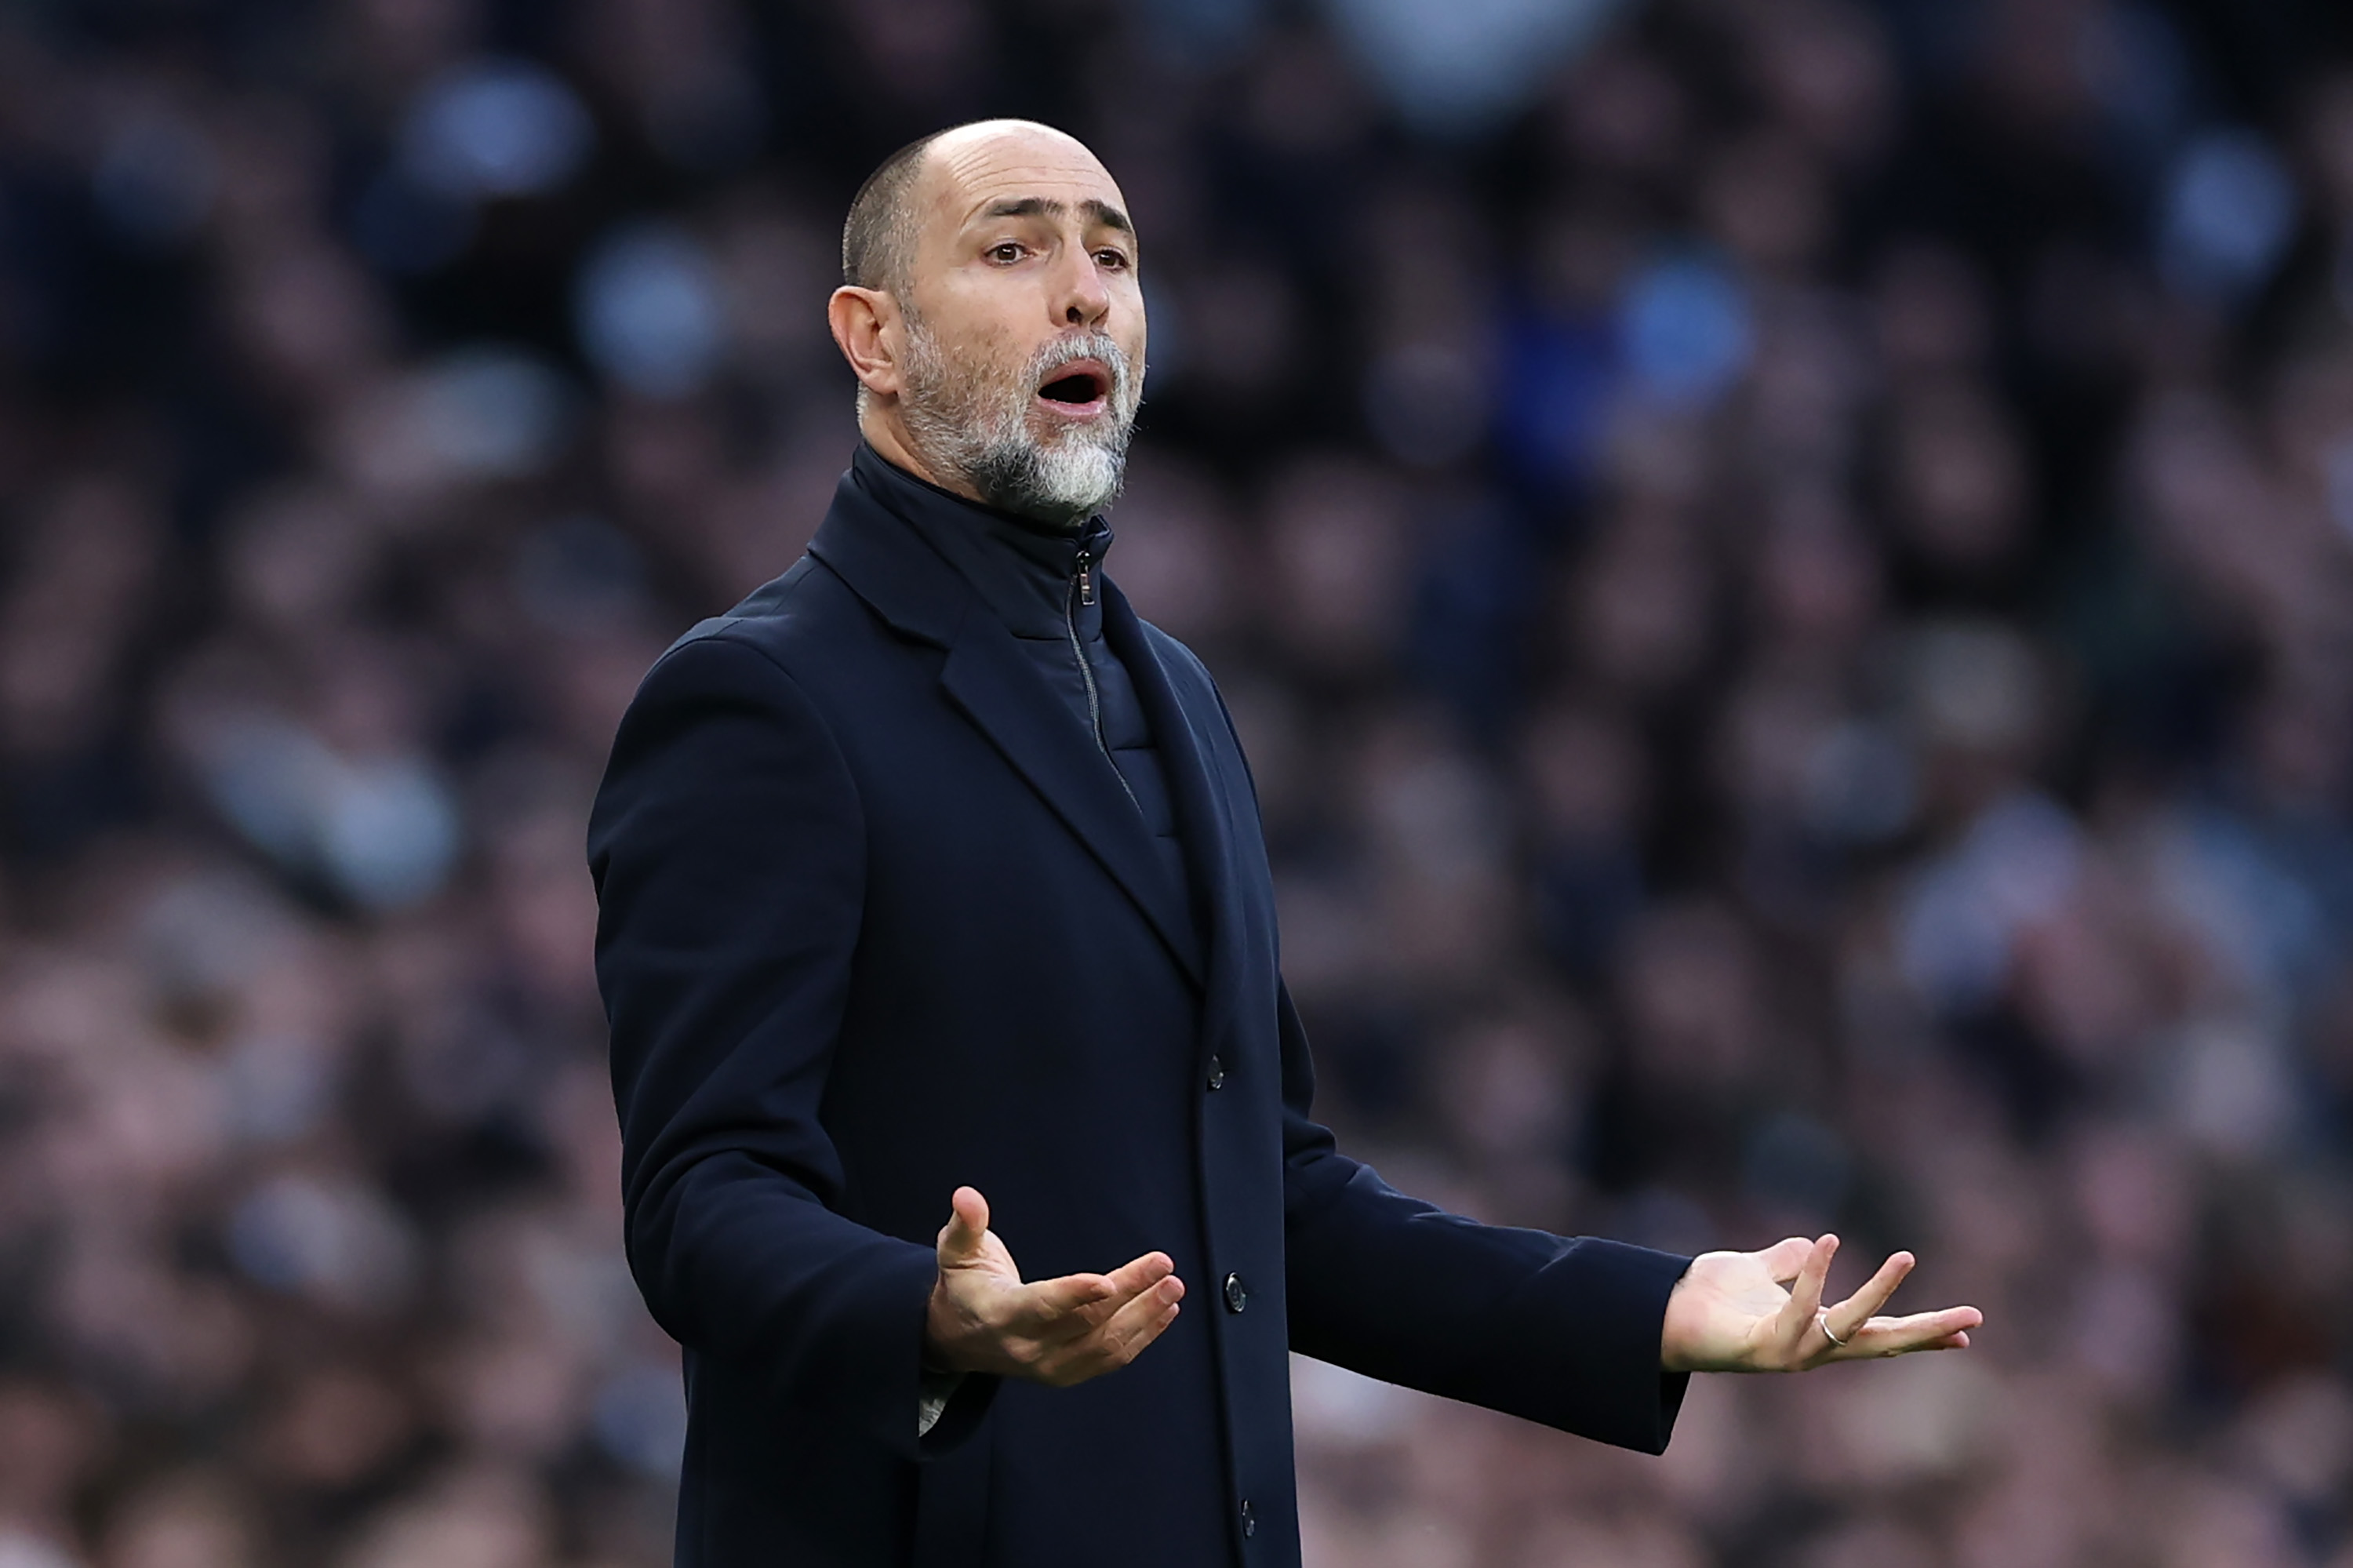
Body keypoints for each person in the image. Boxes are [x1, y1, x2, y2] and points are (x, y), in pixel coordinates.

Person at [587, 118, 1981, 1568]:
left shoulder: (1177, 694)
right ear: (871, 338)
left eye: (1112, 257)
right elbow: (701, 1198)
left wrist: (1648, 1310)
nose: (1083, 292)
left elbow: (1273, 1199)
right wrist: (931, 1317)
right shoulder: (758, 699)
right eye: (1013, 249)